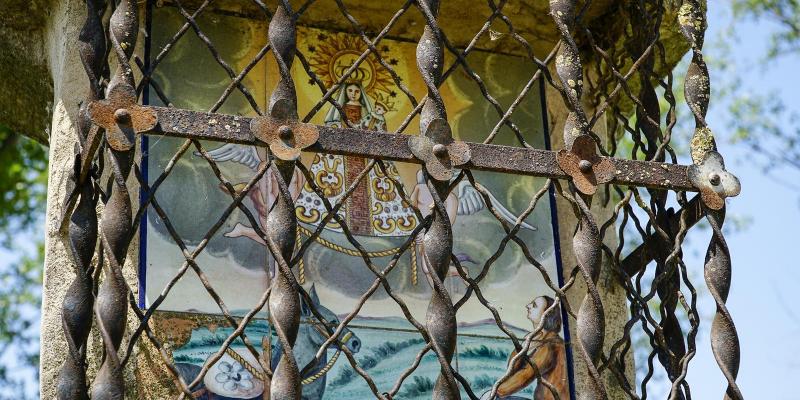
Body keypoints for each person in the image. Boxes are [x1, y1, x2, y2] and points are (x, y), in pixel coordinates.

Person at [486, 295, 568, 400]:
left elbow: (526, 375)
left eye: (534, 305)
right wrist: (523, 347)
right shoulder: (539, 339)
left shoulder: (551, 344)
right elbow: (512, 370)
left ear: (546, 314)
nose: (527, 306)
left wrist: (495, 392)